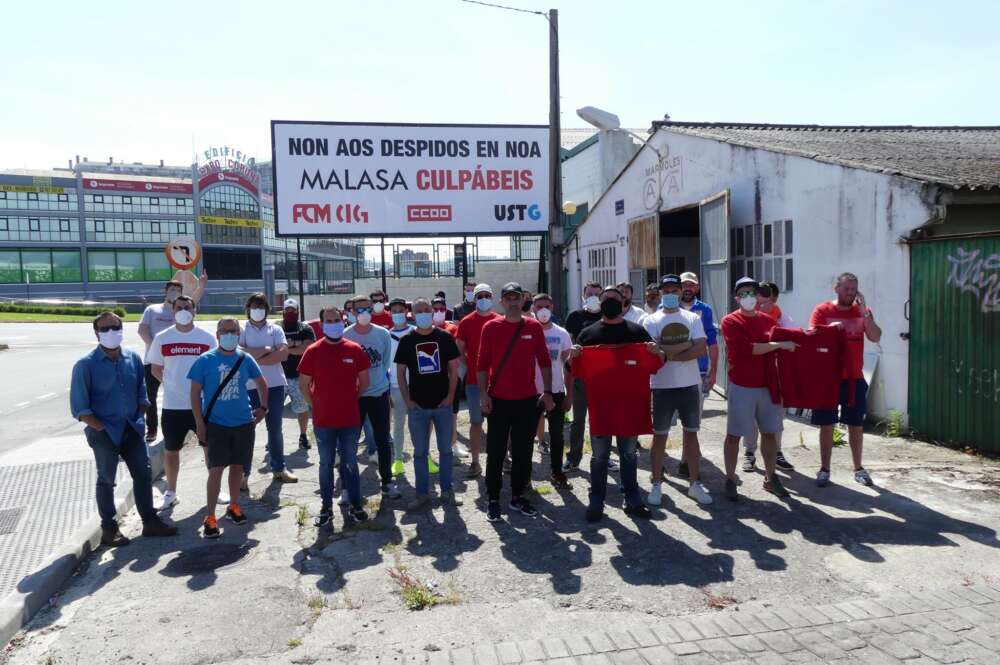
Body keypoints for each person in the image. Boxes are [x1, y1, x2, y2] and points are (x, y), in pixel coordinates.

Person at [71, 311, 178, 546]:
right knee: (106, 479)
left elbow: (142, 391)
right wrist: (102, 428)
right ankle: (109, 528)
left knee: (143, 473)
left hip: (132, 428)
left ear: (121, 330)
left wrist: (138, 415)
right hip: (103, 432)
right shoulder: (85, 365)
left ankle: (149, 520)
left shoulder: (132, 358)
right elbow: (80, 408)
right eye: (105, 329)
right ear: (97, 333)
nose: (110, 333)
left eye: (114, 328)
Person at [569, 286, 662, 522]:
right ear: (601, 304)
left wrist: (656, 351)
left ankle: (632, 499)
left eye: (615, 298)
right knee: (599, 456)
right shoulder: (588, 334)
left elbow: (657, 363)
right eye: (606, 298)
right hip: (601, 407)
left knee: (629, 454)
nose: (611, 301)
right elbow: (575, 370)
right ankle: (596, 499)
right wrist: (574, 356)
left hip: (629, 406)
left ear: (623, 302)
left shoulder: (637, 332)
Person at [478, 282, 554, 522]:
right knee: (496, 452)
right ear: (502, 302)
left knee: (523, 451)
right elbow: (481, 366)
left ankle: (518, 496)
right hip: (498, 400)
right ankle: (492, 498)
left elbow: (544, 361)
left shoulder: (533, 326)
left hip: (527, 400)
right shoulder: (491, 327)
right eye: (508, 298)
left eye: (516, 298)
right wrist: (483, 395)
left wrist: (549, 392)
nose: (512, 302)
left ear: (523, 301)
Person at [188, 317, 267, 539]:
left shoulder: (245, 358)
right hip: (216, 424)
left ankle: (234, 506)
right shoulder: (205, 360)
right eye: (225, 331)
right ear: (217, 334)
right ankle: (210, 516)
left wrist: (263, 408)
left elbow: (262, 383)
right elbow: (194, 394)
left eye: (233, 331)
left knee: (237, 467)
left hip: (243, 423)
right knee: (216, 470)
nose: (230, 335)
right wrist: (199, 424)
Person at [720, 277, 797, 501]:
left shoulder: (768, 321)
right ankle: (730, 477)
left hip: (768, 386)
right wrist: (779, 345)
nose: (748, 297)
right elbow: (748, 349)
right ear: (736, 298)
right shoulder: (730, 321)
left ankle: (771, 477)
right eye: (743, 293)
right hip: (742, 386)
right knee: (734, 435)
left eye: (752, 293)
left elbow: (790, 341)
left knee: (770, 433)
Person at [298, 307, 371, 526]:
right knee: (326, 464)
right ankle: (326, 507)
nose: (333, 323)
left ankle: (356, 505)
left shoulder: (355, 349)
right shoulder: (313, 351)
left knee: (350, 463)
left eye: (336, 319)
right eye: (328, 320)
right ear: (321, 324)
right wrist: (317, 405)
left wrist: (350, 400)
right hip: (324, 421)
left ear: (343, 321)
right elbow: (303, 385)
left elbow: (364, 383)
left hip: (350, 419)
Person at [643, 275, 712, 506]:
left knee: (691, 434)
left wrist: (667, 352)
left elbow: (701, 347)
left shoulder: (692, 317)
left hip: (690, 385)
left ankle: (694, 483)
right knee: (659, 436)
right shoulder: (651, 320)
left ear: (682, 291)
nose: (671, 293)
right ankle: (655, 483)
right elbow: (651, 353)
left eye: (675, 289)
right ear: (661, 292)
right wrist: (683, 348)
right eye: (667, 290)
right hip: (661, 386)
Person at [809, 272, 882, 487]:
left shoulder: (863, 312)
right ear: (837, 289)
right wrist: (827, 331)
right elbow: (811, 335)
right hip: (829, 378)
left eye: (853, 289)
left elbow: (876, 336)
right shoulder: (823, 310)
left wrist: (864, 313)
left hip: (854, 378)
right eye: (846, 289)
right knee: (827, 425)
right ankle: (824, 469)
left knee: (856, 425)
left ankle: (858, 468)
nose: (850, 293)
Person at [146, 295, 217, 510]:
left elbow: (213, 367)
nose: (183, 310)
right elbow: (155, 367)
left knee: (209, 448)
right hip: (172, 405)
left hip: (202, 405)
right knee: (171, 450)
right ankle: (171, 492)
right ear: (172, 311)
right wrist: (169, 383)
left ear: (195, 310)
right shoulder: (162, 337)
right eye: (179, 307)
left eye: (187, 307)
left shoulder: (206, 338)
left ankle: (216, 488)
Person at [395, 298, 462, 511]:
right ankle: (422, 494)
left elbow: (454, 369)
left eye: (427, 310)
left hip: (443, 405)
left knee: (446, 451)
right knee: (420, 453)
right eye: (419, 311)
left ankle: (447, 491)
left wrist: (451, 396)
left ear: (433, 313)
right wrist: (407, 400)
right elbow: (400, 372)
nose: (423, 313)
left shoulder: (444, 337)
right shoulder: (407, 340)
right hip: (418, 408)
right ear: (412, 315)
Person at [138, 275, 207, 443]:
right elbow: (142, 330)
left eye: (178, 290)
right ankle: (152, 428)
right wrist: (158, 347)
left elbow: (192, 301)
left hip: (177, 361)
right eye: (172, 290)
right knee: (151, 397)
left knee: (180, 390)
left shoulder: (182, 311)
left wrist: (201, 286)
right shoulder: (153, 310)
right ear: (165, 291)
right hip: (154, 361)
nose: (174, 292)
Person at [345, 294, 401, 499]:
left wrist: (379, 383)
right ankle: (346, 488)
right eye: (359, 310)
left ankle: (387, 482)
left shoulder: (382, 334)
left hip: (379, 393)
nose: (364, 313)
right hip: (355, 396)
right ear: (352, 312)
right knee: (349, 443)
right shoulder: (346, 335)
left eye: (368, 309)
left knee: (383, 440)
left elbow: (385, 362)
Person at [240, 293, 297, 484]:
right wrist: (266, 349)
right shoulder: (241, 329)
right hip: (249, 387)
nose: (258, 310)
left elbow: (282, 355)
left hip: (275, 385)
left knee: (275, 428)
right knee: (247, 429)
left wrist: (254, 356)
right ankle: (244, 473)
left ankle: (279, 468)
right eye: (254, 306)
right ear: (248, 309)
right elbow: (239, 355)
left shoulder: (275, 329)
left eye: (261, 307)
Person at [743, 281, 794, 472]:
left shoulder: (784, 320)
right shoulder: (748, 318)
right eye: (758, 295)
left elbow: (792, 343)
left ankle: (777, 452)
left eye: (765, 295)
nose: (759, 300)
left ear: (773, 298)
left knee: (777, 418)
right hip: (752, 376)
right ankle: (749, 453)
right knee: (751, 418)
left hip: (776, 377)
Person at [456, 283, 500, 477]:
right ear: (474, 299)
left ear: (492, 297)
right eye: (479, 295)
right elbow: (460, 350)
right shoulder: (466, 322)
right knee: (476, 423)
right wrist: (472, 366)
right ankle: (475, 462)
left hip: (499, 382)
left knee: (499, 423)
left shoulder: (500, 320)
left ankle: (502, 458)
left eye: (486, 295)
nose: (483, 298)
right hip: (474, 382)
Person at [563, 281, 607, 473]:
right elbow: (569, 344)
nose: (593, 298)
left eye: (597, 294)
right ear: (583, 296)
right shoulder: (575, 316)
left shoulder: (608, 316)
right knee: (578, 420)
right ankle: (574, 457)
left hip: (603, 376)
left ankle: (604, 456)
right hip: (581, 376)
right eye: (589, 294)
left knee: (602, 419)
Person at [531, 293, 574, 489]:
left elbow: (568, 366)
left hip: (556, 390)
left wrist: (569, 395)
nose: (542, 310)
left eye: (546, 306)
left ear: (552, 307)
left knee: (557, 436)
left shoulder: (562, 334)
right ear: (532, 308)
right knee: (525, 435)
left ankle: (557, 472)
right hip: (530, 392)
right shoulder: (527, 331)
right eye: (538, 306)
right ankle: (523, 476)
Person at [388, 298, 426, 477]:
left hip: (418, 386)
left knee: (421, 425)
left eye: (400, 310)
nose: (397, 314)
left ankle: (425, 457)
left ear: (406, 312)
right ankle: (397, 459)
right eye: (393, 311)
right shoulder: (386, 335)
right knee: (398, 424)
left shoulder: (415, 332)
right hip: (395, 386)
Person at [678, 272, 720, 408]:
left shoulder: (705, 309)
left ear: (697, 288)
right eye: (684, 285)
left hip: (699, 370)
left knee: (693, 418)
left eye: (692, 285)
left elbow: (712, 342)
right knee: (669, 419)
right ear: (679, 287)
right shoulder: (666, 308)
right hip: (673, 369)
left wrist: (713, 372)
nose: (688, 288)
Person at [280, 298, 316, 451]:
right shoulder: (276, 328)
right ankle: (274, 437)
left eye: (293, 310)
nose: (290, 313)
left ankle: (303, 435)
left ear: (298, 312)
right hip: (278, 377)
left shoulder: (305, 328)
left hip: (298, 376)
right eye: (287, 310)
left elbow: (307, 349)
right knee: (274, 410)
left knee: (302, 409)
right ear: (283, 312)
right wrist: (296, 345)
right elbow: (273, 349)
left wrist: (286, 348)